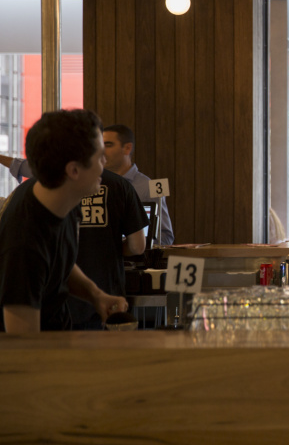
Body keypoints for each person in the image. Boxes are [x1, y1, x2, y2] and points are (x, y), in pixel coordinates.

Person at [0, 109, 129, 333]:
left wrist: (96, 295)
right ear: (74, 170)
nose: (105, 161)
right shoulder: (24, 242)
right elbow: (23, 342)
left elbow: (59, 260)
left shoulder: (63, 197)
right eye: (99, 156)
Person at [0, 123, 174, 245]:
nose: (103, 150)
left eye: (108, 145)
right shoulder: (83, 179)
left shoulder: (145, 187)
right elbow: (43, 170)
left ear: (127, 148)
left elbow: (164, 237)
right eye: (100, 145)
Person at [69, 168, 149, 330]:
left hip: (60, 298)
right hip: (107, 298)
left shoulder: (53, 186)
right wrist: (110, 245)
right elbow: (137, 246)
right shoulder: (119, 184)